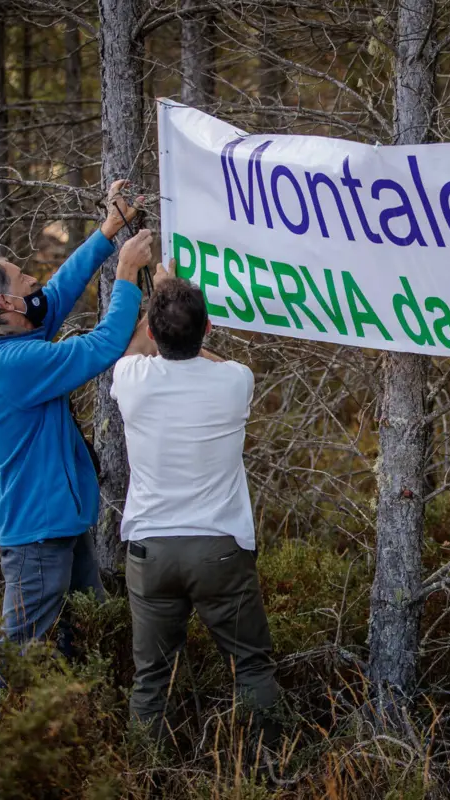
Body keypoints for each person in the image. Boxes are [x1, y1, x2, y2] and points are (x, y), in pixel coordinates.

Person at [0, 180, 151, 696]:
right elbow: (101, 346)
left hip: (61, 524)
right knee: (18, 650)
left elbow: (60, 291)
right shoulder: (15, 365)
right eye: (25, 281)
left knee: (82, 636)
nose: (35, 282)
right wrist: (127, 275)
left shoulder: (16, 336)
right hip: (37, 536)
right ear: (7, 303)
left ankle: (78, 729)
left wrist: (108, 233)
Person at [109, 269, 279, 749]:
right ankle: (266, 770)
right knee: (250, 665)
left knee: (151, 678)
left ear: (150, 331)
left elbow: (141, 350)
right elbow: (204, 356)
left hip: (150, 551)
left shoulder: (131, 377)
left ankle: (144, 774)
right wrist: (181, 310)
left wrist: (158, 305)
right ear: (207, 330)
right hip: (219, 550)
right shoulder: (235, 380)